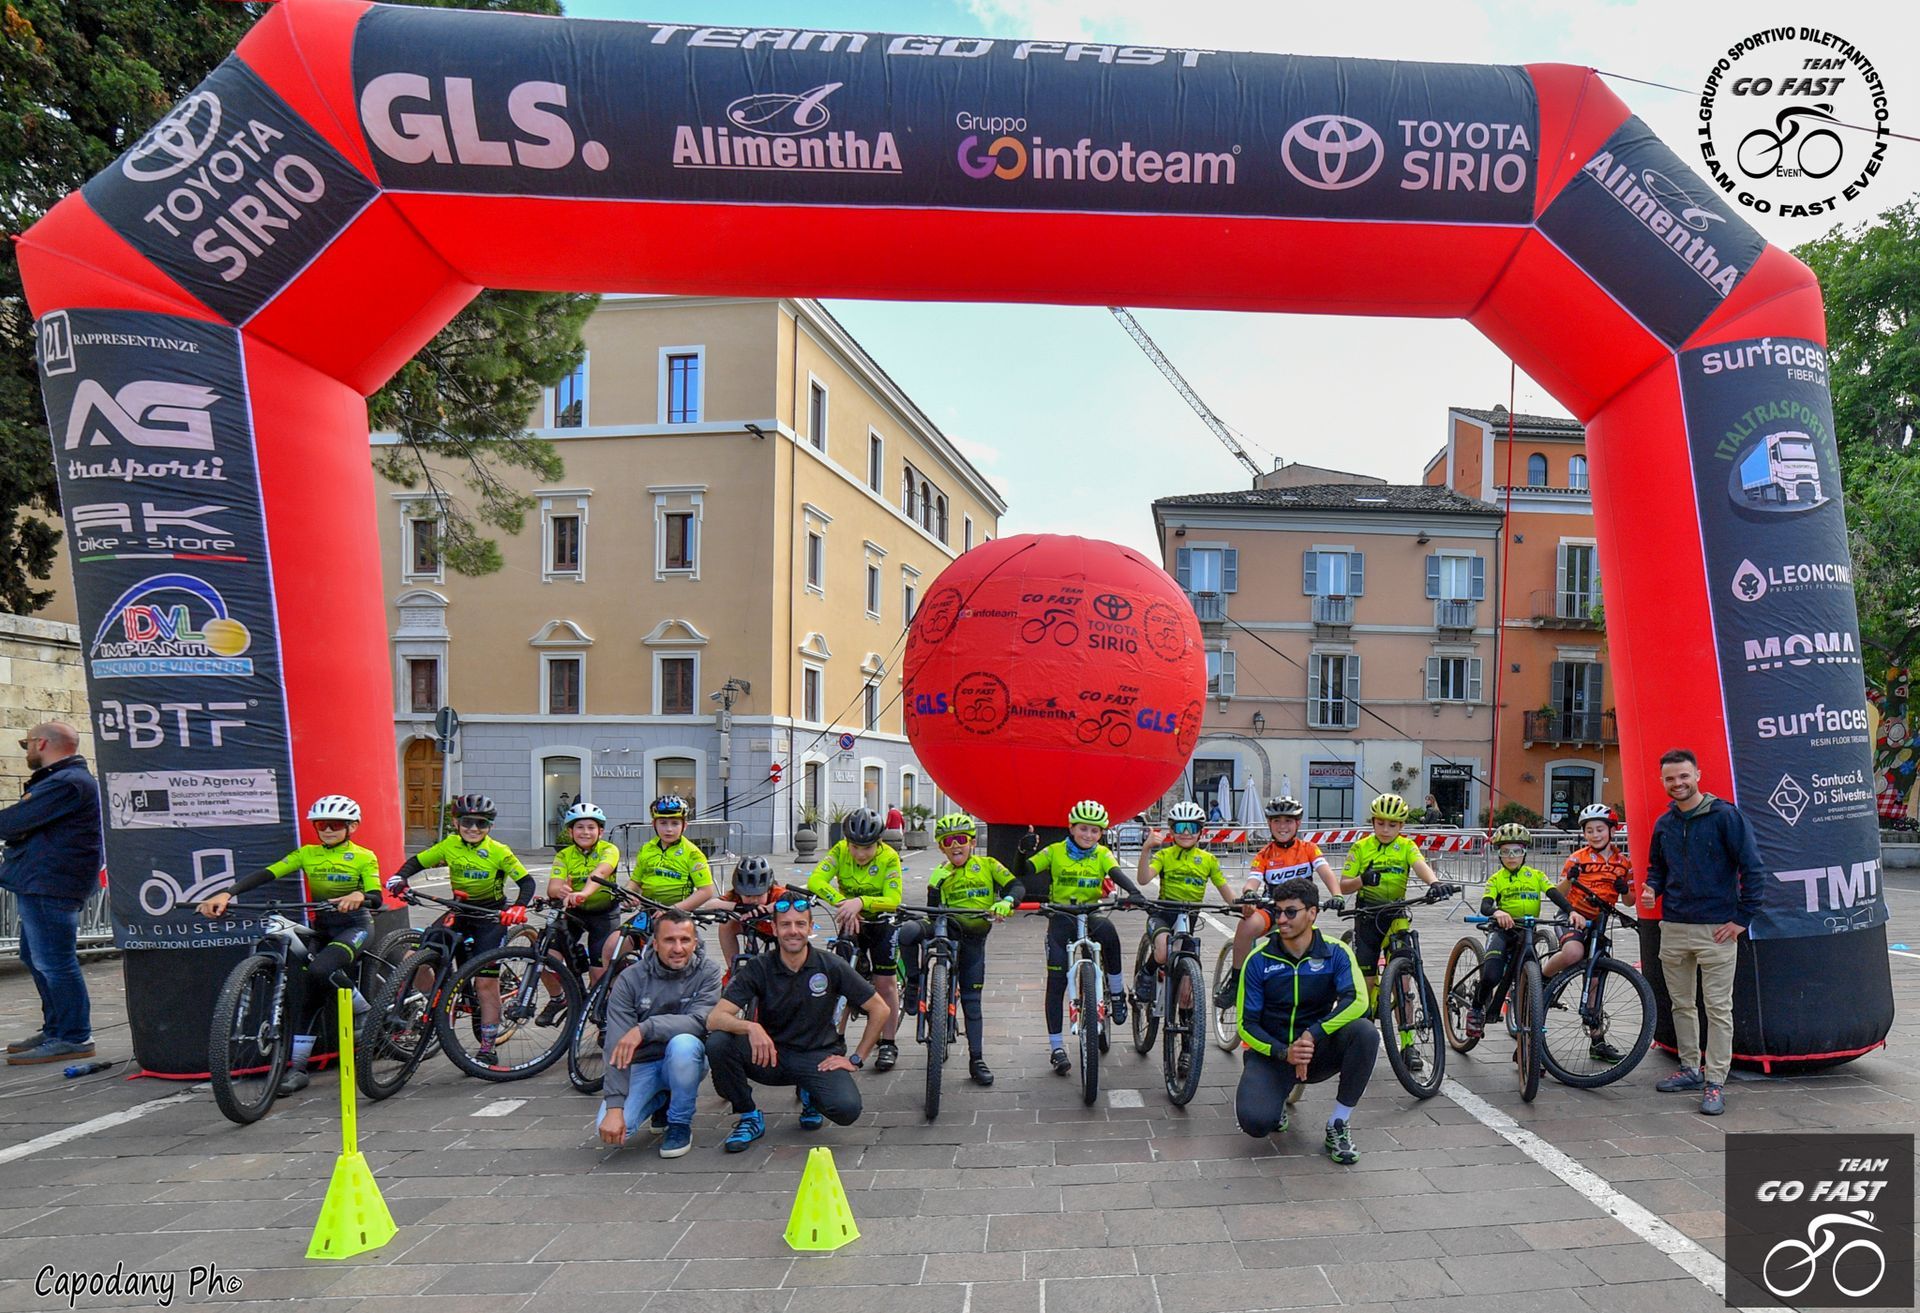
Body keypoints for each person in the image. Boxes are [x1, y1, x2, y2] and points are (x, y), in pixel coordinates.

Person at [199, 795, 383, 1093]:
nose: (327, 830)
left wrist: (360, 896)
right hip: (323, 927)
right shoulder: (307, 854)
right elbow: (267, 873)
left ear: (352, 827)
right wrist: (227, 893)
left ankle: (362, 1010)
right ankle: (297, 1069)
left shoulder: (364, 856)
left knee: (320, 969)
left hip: (355, 926)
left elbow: (376, 896)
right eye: (321, 825)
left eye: (335, 825)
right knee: (309, 996)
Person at [705, 896, 892, 1151]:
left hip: (817, 1056)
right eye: (785, 924)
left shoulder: (830, 965)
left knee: (847, 1110)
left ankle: (810, 1095)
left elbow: (880, 1009)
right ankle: (748, 1115)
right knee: (718, 1042)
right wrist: (750, 1027)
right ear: (774, 928)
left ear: (811, 927)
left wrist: (856, 1059)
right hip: (770, 1055)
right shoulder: (759, 966)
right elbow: (715, 1018)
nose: (793, 931)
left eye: (800, 924)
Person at [1640, 748, 1766, 1117]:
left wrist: (1743, 919)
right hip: (1674, 927)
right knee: (1681, 1004)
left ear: (1697, 774)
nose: (1677, 783)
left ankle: (1715, 1082)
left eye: (1683, 776)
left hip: (1717, 931)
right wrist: (1652, 889)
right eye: (1670, 778)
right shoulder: (1665, 823)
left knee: (1718, 1009)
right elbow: (1657, 868)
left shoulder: (1726, 816)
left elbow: (1753, 868)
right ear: (1662, 781)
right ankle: (1690, 1068)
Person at [1234, 877, 1377, 1165]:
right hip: (1274, 1053)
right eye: (1278, 912)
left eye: (1290, 912)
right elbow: (1246, 1024)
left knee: (1365, 1032)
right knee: (1256, 1124)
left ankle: (1338, 1123)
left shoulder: (1336, 952)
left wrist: (1312, 1035)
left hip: (1317, 1050)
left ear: (1312, 913)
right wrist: (1283, 1052)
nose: (1281, 920)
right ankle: (1276, 1098)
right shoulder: (1258, 959)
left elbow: (1357, 1001)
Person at [384, 793, 534, 1063]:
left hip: (490, 916)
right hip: (459, 910)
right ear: (456, 822)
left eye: (481, 823)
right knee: (413, 959)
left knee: (485, 982)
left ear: (490, 826)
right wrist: (400, 877)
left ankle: (488, 1046)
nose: (473, 828)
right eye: (467, 822)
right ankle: (441, 1004)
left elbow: (527, 883)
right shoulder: (449, 844)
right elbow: (418, 862)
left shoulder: (499, 851)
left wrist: (518, 907)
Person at [1017, 799, 1144, 1077]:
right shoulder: (1055, 851)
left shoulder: (1102, 854)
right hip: (1061, 917)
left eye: (1094, 831)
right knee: (1057, 981)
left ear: (1101, 834)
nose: (1088, 835)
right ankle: (1056, 1048)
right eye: (1083, 828)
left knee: (1108, 932)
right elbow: (1025, 871)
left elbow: (1116, 873)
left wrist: (1134, 893)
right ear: (1072, 828)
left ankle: (1117, 993)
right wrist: (1022, 852)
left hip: (1090, 913)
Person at [1, 723, 103, 1066]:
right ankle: (57, 1029)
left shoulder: (66, 783)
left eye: (26, 743)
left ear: (42, 743)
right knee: (36, 957)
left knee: (54, 961)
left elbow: (11, 823)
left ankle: (74, 1036)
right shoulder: (63, 780)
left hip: (51, 883)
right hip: (42, 880)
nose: (26, 750)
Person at [894, 812, 1016, 1087]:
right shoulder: (941, 870)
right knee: (908, 931)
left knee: (972, 1001)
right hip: (944, 927)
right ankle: (913, 983)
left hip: (973, 937)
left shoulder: (988, 864)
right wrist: (934, 885)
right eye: (948, 841)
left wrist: (1007, 901)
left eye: (961, 839)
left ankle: (977, 1060)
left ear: (972, 842)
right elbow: (932, 912)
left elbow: (1015, 885)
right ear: (941, 847)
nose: (956, 845)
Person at [1341, 793, 1454, 1073]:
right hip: (1368, 916)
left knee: (1403, 982)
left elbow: (1420, 866)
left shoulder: (1406, 846)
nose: (1385, 829)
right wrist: (1362, 880)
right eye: (1380, 823)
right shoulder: (1360, 847)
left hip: (1397, 915)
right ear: (1373, 822)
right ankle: (1363, 1034)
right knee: (1367, 984)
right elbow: (1343, 885)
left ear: (1401, 826)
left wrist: (1435, 883)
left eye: (1392, 825)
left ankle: (1408, 1044)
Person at [597, 907, 722, 1157]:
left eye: (684, 940)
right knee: (615, 1131)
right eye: (669, 940)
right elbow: (616, 1044)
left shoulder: (708, 972)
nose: (678, 948)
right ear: (655, 944)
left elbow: (700, 1021)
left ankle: (679, 1122)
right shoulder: (630, 979)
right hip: (642, 1063)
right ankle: (661, 1100)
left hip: (684, 1059)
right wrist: (614, 1106)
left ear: (695, 942)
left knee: (684, 1044)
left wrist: (645, 1028)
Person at [805, 806, 906, 1071]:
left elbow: (893, 899)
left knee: (885, 984)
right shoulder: (839, 850)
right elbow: (816, 881)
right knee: (841, 980)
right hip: (851, 920)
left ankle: (888, 1042)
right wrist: (844, 904)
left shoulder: (889, 857)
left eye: (867, 847)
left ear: (878, 842)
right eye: (855, 847)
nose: (860, 854)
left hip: (882, 922)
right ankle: (835, 1038)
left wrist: (861, 902)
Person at [1217, 796, 1340, 1007]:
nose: (1282, 826)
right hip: (1273, 908)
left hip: (1301, 910)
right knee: (1246, 926)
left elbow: (1326, 872)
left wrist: (1337, 895)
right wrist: (1249, 893)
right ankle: (1236, 982)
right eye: (1277, 821)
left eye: (1288, 821)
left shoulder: (1309, 848)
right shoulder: (1265, 854)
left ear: (1298, 823)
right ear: (1269, 823)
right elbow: (1252, 881)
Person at [1463, 824, 1569, 1039]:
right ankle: (1476, 1009)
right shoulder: (1496, 879)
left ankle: (1528, 1018)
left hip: (1527, 931)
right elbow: (1485, 906)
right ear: (1499, 854)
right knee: (1491, 975)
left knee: (1533, 976)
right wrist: (1498, 912)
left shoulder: (1536, 875)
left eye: (1516, 851)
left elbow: (1554, 894)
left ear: (1525, 852)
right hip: (1502, 931)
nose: (1511, 857)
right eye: (1505, 852)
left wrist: (1572, 911)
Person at [1132, 800, 1230, 1003]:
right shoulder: (1164, 855)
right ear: (1171, 830)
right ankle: (1146, 973)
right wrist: (1146, 849)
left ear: (1200, 831)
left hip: (1190, 918)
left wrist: (1241, 906)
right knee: (1162, 952)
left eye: (1191, 827)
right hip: (1163, 914)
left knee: (1187, 993)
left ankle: (1188, 1021)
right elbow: (1143, 879)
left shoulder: (1208, 860)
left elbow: (1225, 891)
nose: (1186, 832)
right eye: (1180, 827)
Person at [544, 801, 620, 1023]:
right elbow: (553, 887)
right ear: (570, 832)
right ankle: (559, 998)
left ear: (600, 832)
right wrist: (561, 890)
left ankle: (603, 1021)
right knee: (545, 957)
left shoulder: (609, 850)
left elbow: (600, 873)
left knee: (598, 973)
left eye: (591, 827)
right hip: (573, 913)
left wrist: (584, 893)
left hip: (604, 913)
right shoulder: (564, 855)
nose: (585, 832)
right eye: (579, 827)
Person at [630, 795, 715, 912]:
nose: (669, 829)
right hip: (648, 910)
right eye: (663, 823)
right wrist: (629, 894)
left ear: (684, 826)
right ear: (654, 824)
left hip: (678, 913)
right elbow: (635, 882)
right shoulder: (646, 848)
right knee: (621, 926)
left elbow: (706, 891)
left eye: (675, 823)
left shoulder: (693, 853)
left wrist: (671, 910)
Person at [714, 855, 789, 981]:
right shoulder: (735, 895)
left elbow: (792, 899)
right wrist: (740, 907)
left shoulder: (776, 892)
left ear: (768, 889)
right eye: (748, 896)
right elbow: (710, 904)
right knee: (726, 925)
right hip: (752, 925)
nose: (754, 900)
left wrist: (768, 908)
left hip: (776, 929)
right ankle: (732, 969)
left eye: (759, 895)